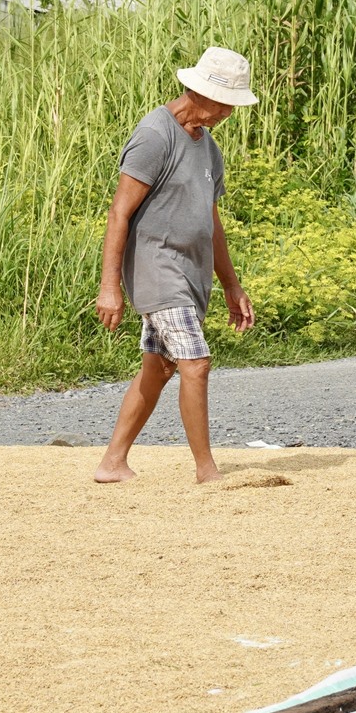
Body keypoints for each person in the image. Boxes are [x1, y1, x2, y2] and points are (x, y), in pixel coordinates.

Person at [92, 47, 258, 484]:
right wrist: (110, 285)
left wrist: (231, 285)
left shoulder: (209, 148)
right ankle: (207, 471)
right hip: (157, 267)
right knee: (196, 362)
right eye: (222, 102)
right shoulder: (155, 134)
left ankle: (112, 463)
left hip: (193, 272)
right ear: (195, 90)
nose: (226, 112)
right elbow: (119, 213)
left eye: (231, 105)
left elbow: (211, 219)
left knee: (160, 366)